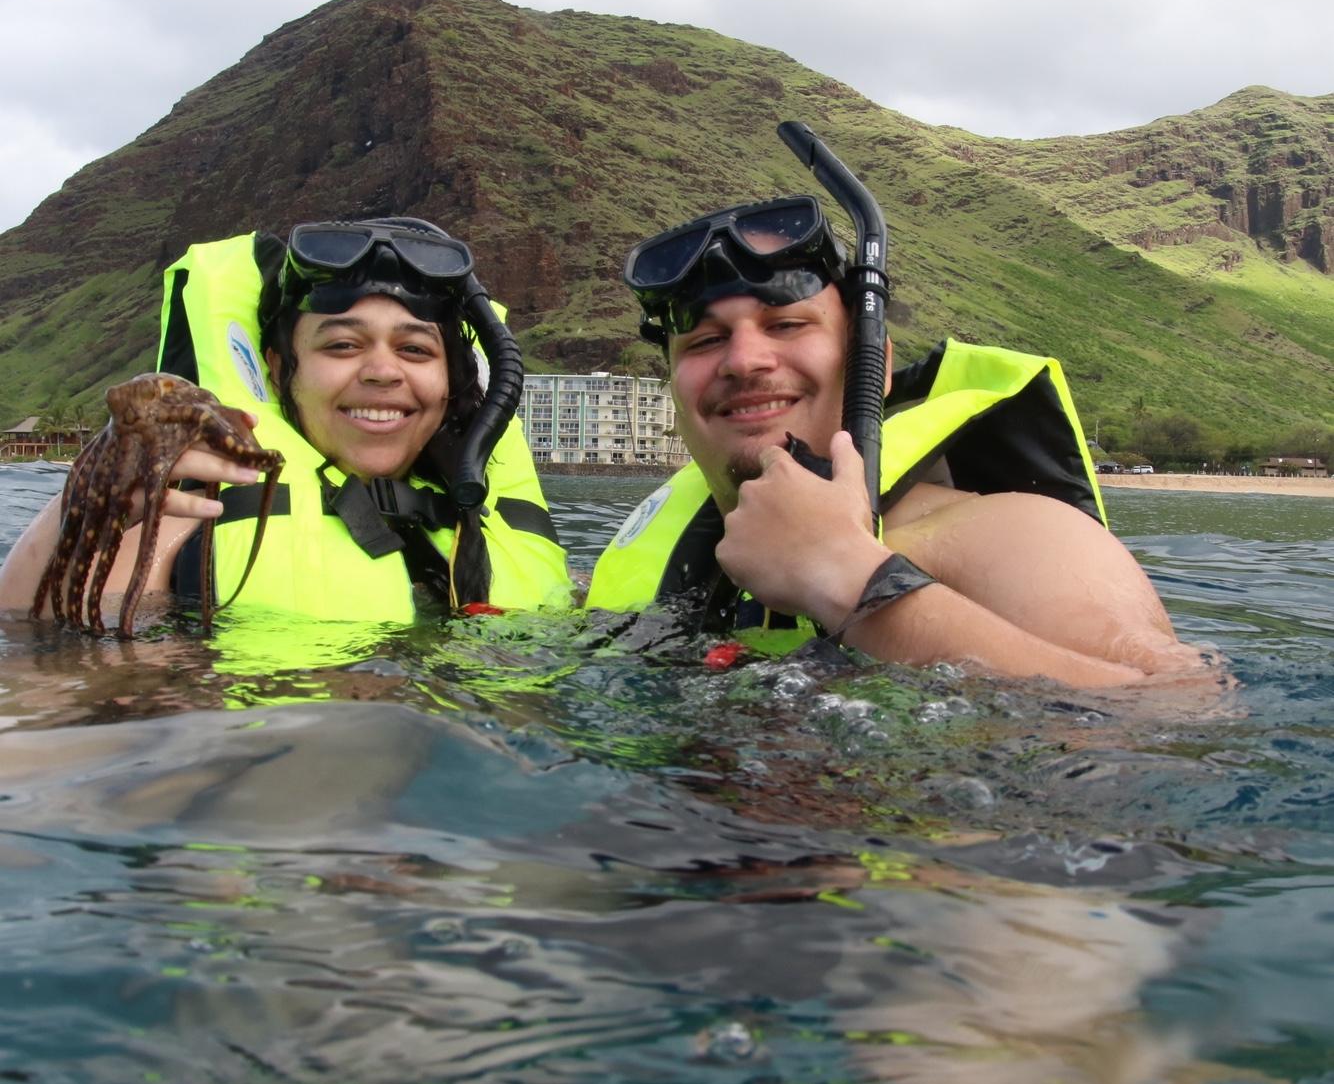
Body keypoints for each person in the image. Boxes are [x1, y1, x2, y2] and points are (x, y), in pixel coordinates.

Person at [586, 196, 1205, 688]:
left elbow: (1173, 713)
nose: (744, 360)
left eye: (787, 324)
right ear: (674, 383)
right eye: (705, 341)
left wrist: (847, 578)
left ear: (873, 365)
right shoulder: (675, 564)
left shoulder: (1016, 537)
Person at [1, 219, 570, 627]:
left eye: (415, 350)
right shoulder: (187, 527)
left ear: (452, 383)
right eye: (342, 345)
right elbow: (32, 687)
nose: (381, 372)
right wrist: (84, 511)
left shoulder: (499, 536)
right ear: (277, 370)